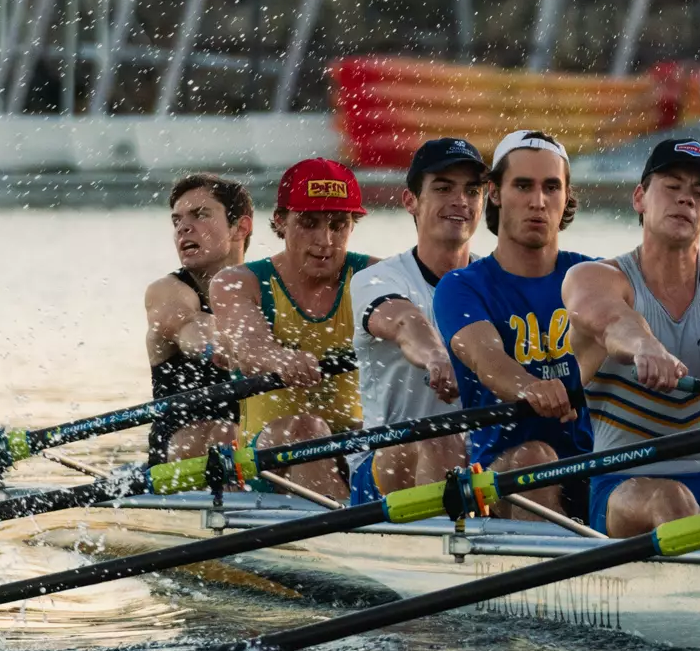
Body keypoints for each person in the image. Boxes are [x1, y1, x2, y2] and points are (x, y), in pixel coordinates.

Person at [565, 138, 700, 537]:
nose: (686, 201)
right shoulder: (595, 278)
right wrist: (645, 347)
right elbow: (611, 321)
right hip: (622, 479)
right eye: (672, 187)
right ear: (640, 198)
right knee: (672, 501)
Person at [434, 131, 594, 520]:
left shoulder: (595, 278)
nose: (538, 202)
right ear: (494, 193)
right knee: (535, 456)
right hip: (504, 476)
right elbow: (488, 359)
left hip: (594, 467)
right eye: (523, 185)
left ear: (566, 197)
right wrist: (532, 388)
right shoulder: (461, 287)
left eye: (551, 187)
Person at [210, 158, 378, 503]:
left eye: (338, 224)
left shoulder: (374, 275)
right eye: (309, 223)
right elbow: (248, 346)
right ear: (280, 221)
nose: (325, 240)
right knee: (307, 428)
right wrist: (280, 358)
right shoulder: (238, 282)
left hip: (355, 443)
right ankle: (351, 539)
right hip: (269, 455)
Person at [346, 138, 488, 504]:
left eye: (472, 191)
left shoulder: (496, 281)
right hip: (385, 464)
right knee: (441, 437)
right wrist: (438, 358)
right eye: (443, 188)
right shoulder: (378, 279)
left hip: (478, 464)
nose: (460, 201)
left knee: (535, 454)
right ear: (410, 201)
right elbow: (405, 322)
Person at [144, 173, 252, 464]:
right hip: (180, 453)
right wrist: (213, 347)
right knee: (225, 431)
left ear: (240, 227)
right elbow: (191, 326)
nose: (184, 228)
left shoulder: (269, 289)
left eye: (200, 215)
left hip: (255, 445)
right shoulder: (166, 291)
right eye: (176, 220)